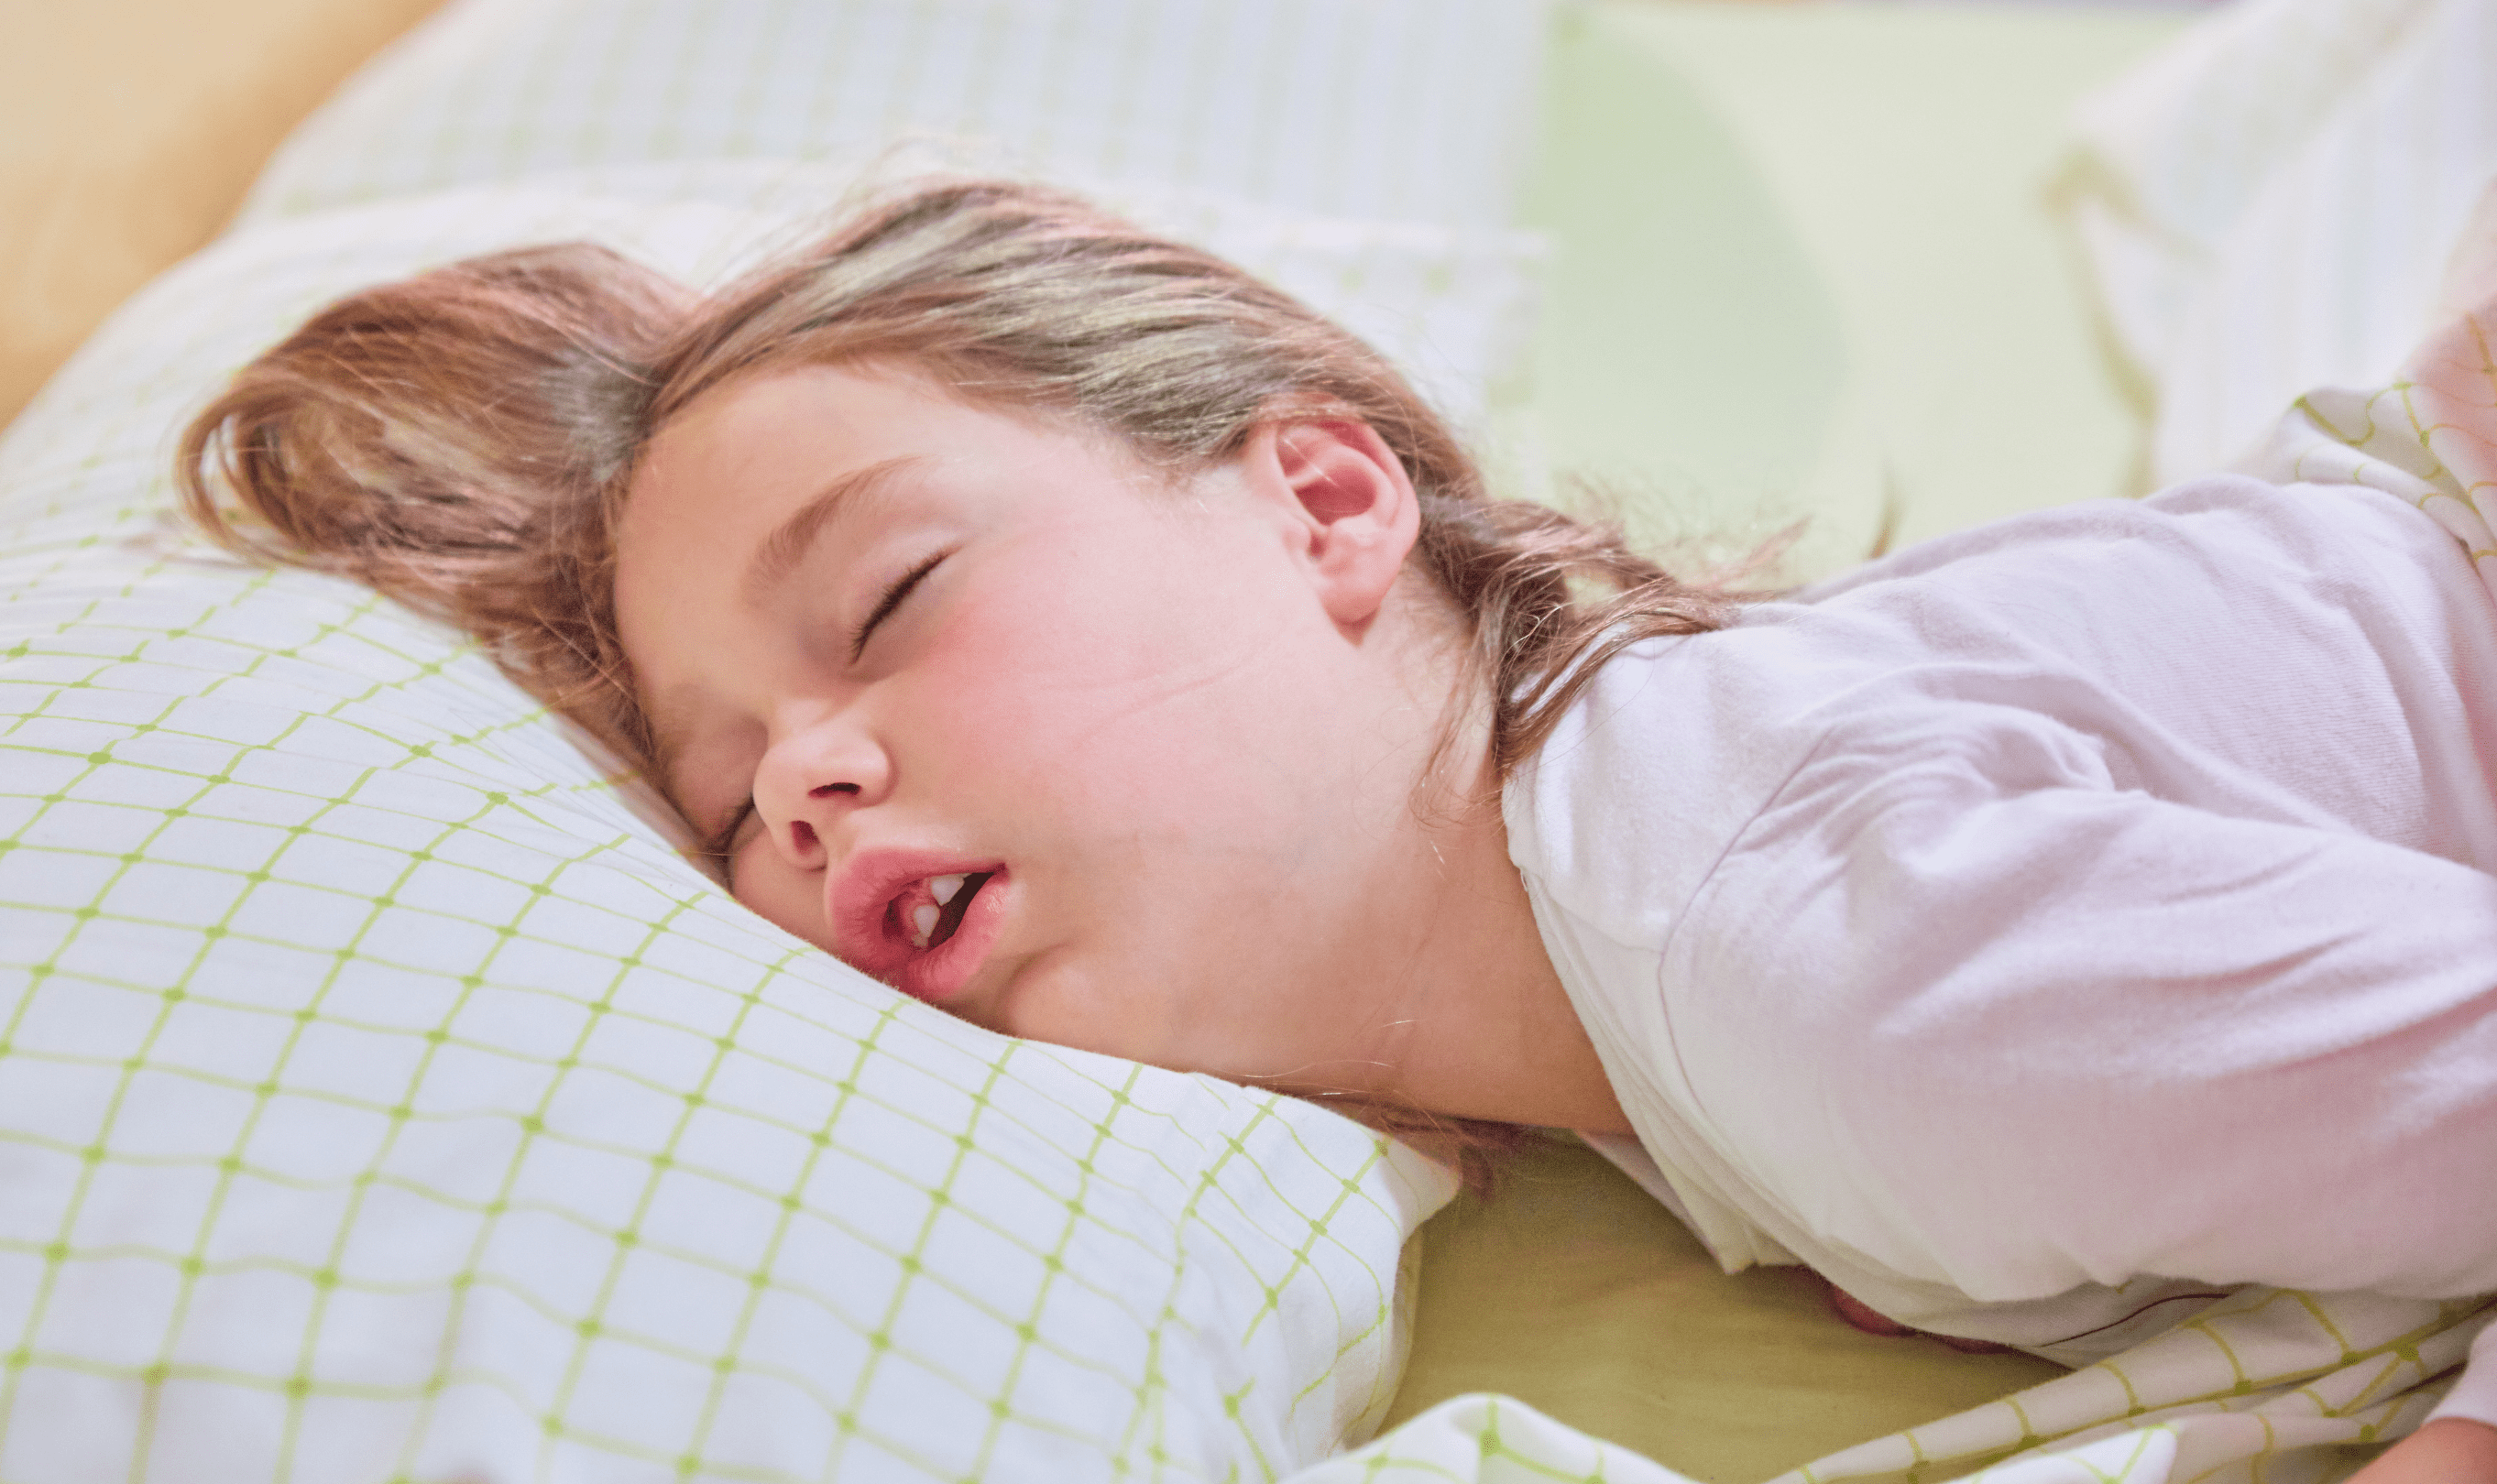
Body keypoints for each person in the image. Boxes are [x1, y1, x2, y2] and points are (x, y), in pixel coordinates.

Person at [177, 180, 2497, 1481]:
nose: (800, 782)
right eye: (724, 798)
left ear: (1321, 503)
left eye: (886, 598)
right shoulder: (1674, 924)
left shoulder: (1810, 971)